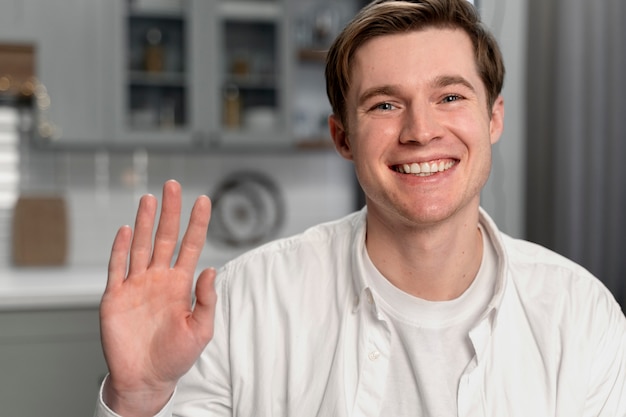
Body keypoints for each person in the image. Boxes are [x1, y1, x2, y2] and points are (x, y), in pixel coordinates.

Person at [95, 0, 626, 416]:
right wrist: (139, 400)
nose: (421, 132)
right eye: (386, 105)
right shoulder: (246, 303)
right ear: (343, 137)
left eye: (450, 97)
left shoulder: (581, 315)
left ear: (493, 119)